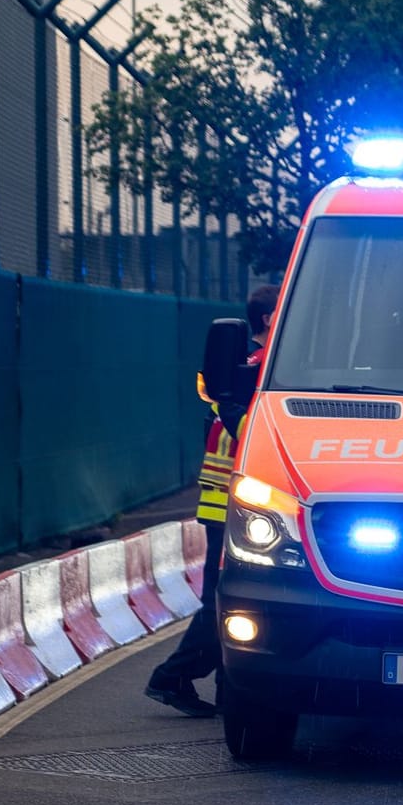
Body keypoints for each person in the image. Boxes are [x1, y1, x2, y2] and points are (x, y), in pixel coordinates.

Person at [146, 284, 280, 716]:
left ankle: (225, 687)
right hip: (234, 503)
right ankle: (172, 676)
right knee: (222, 602)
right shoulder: (259, 370)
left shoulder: (248, 367)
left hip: (229, 501)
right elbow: (254, 438)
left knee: (228, 600)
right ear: (267, 318)